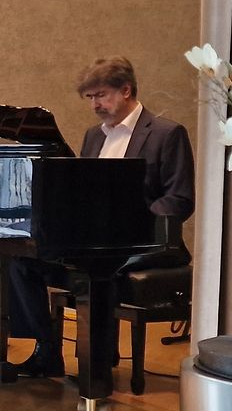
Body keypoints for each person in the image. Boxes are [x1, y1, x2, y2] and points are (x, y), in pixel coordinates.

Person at [10, 56, 195, 377]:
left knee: (100, 267)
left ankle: (96, 367)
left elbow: (180, 198)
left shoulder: (167, 133)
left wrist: (135, 222)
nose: (95, 104)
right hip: (98, 240)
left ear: (126, 90)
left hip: (152, 242)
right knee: (21, 260)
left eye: (101, 95)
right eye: (90, 97)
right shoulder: (93, 136)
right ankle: (46, 350)